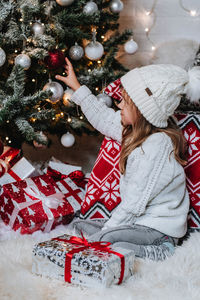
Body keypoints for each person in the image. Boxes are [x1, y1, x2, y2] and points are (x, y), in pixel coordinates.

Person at [56, 58, 200, 261]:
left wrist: (104, 234)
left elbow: (134, 204)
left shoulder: (158, 145)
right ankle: (113, 239)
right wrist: (77, 87)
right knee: (78, 226)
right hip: (138, 222)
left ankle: (163, 249)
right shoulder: (133, 131)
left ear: (142, 110)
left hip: (159, 229)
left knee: (109, 241)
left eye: (125, 100)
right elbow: (103, 118)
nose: (118, 104)